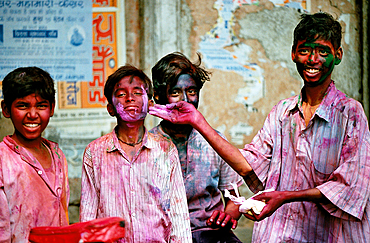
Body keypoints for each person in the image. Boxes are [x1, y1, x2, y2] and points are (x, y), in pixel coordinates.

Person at [149, 12, 370, 242]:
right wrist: (197, 120)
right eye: (305, 51)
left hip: (331, 236)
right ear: (294, 54)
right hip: (282, 235)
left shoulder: (350, 114)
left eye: (322, 51)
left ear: (338, 55)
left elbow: (350, 187)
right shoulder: (282, 114)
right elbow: (247, 166)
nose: (313, 59)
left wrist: (284, 196)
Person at [79, 64, 192, 242]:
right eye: (121, 94)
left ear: (150, 104)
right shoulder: (95, 153)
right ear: (110, 108)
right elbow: (87, 216)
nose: (130, 98)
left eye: (138, 93)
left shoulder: (166, 150)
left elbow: (179, 215)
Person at [149, 52, 244, 243]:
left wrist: (228, 216)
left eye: (192, 91)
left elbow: (234, 200)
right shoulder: (147, 147)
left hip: (211, 234)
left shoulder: (215, 141)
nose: (186, 100)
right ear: (158, 97)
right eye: (175, 93)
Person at [0, 67, 70, 242]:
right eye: (22, 106)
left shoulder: (58, 155)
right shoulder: (2, 160)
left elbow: (64, 215)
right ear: (6, 109)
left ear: (52, 108)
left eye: (41, 106)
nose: (32, 114)